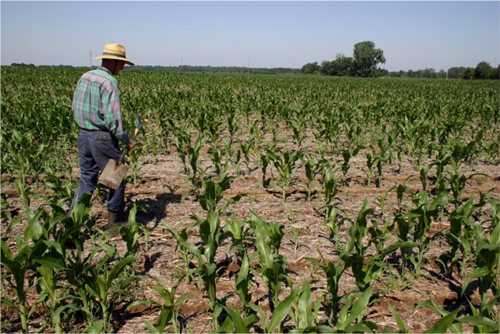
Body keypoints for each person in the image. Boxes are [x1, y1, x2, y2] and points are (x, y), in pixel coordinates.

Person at [70, 43, 135, 229]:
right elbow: (113, 119)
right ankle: (115, 223)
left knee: (87, 179)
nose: (122, 68)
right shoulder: (109, 82)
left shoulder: (85, 77)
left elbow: (75, 107)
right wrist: (126, 140)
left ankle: (72, 222)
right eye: (121, 64)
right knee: (115, 178)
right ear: (113, 62)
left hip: (83, 135)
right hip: (102, 138)